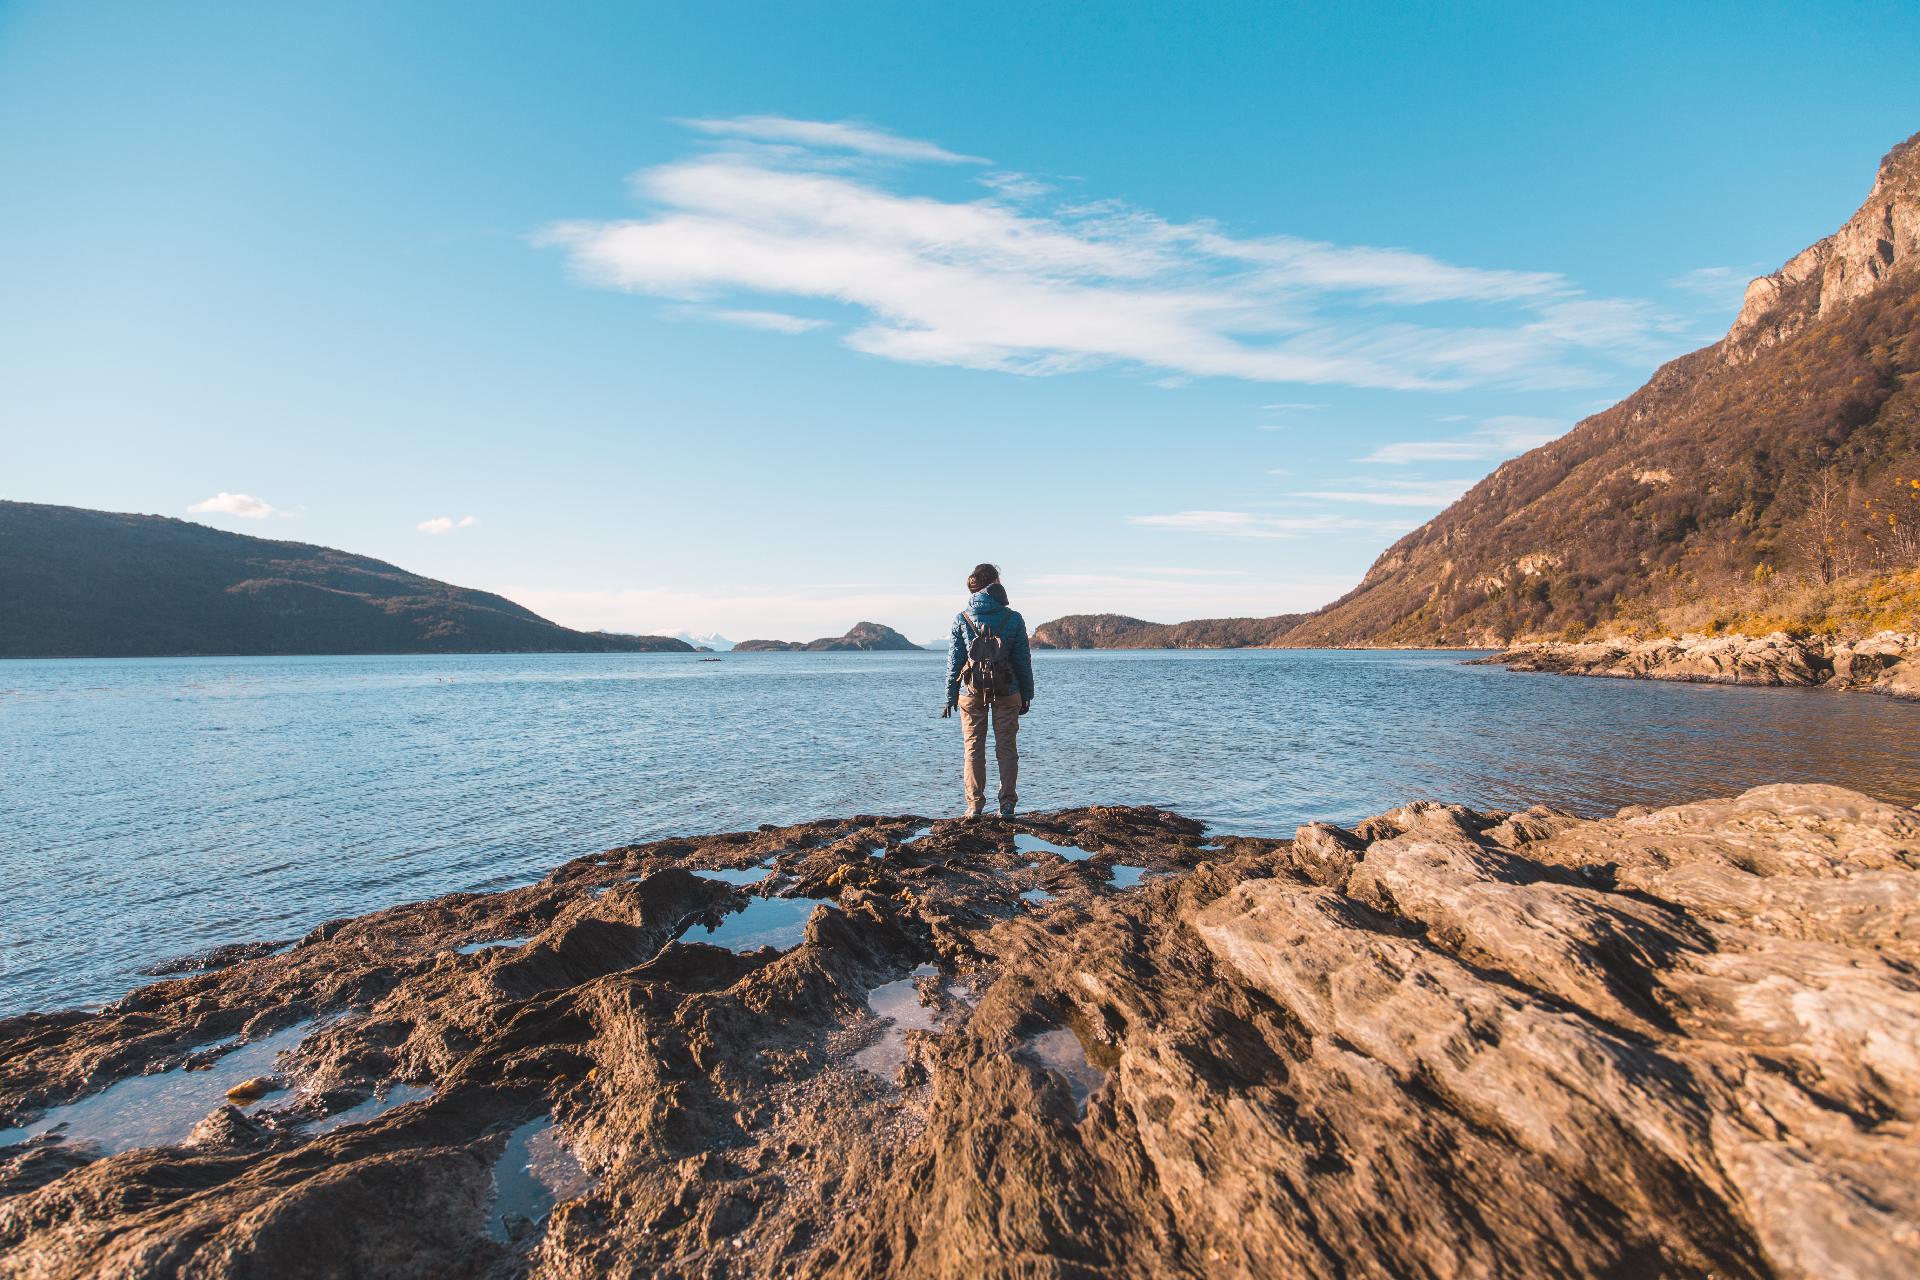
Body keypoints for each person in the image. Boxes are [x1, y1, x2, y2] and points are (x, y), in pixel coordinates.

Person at [942, 563, 1035, 819]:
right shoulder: (1013, 618)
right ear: (994, 583)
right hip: (1009, 689)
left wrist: (950, 694)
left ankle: (974, 806)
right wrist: (1027, 693)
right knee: (1006, 748)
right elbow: (1022, 660)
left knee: (973, 748)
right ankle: (1007, 805)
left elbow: (955, 661)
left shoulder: (962, 618)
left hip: (970, 691)